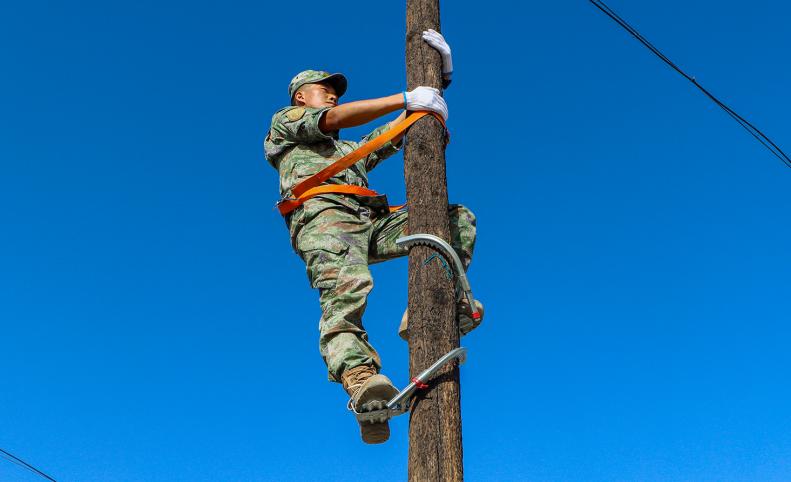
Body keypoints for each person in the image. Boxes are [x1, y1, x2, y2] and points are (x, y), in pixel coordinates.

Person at [263, 30, 483, 444]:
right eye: (322, 89)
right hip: (324, 219)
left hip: (368, 219)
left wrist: (437, 82)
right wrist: (405, 97)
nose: (331, 95)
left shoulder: (345, 151)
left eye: (334, 91)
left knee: (455, 219)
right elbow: (334, 120)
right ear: (300, 98)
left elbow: (389, 136)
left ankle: (435, 304)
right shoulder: (285, 123)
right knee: (347, 291)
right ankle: (360, 379)